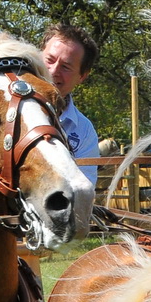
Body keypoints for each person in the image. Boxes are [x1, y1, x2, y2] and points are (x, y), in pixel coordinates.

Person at [41, 22, 101, 187]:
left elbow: (82, 190)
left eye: (66, 67)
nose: (53, 71)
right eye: (49, 60)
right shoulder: (3, 108)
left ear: (82, 76)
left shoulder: (83, 132)